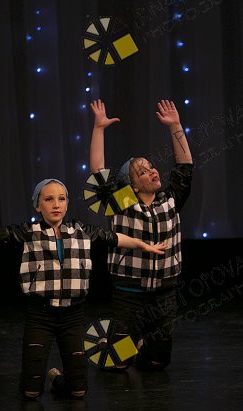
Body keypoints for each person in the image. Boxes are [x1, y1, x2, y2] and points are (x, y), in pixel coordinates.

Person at [0, 178, 166, 399]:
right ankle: (43, 379)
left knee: (79, 391)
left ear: (67, 204)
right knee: (31, 392)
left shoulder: (81, 230)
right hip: (40, 315)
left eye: (61, 199)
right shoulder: (28, 232)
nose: (56, 204)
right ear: (37, 205)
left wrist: (144, 246)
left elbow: (115, 238)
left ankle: (57, 379)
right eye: (49, 199)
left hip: (73, 315)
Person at [88, 99, 193, 372]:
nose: (152, 171)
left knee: (158, 362)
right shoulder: (123, 203)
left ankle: (143, 345)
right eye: (142, 172)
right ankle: (120, 348)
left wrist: (175, 126)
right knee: (118, 363)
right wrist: (99, 129)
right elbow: (97, 174)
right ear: (132, 186)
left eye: (151, 167)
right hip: (129, 294)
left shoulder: (169, 199)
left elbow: (184, 166)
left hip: (164, 293)